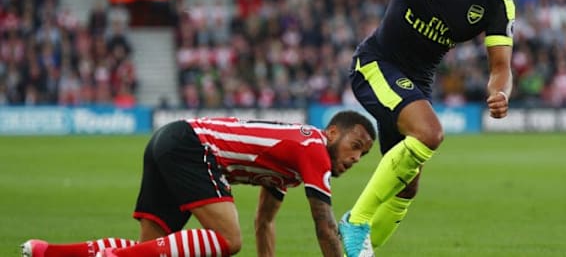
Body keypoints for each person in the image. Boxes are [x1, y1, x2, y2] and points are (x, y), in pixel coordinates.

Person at [327, 0, 521, 257]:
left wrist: (500, 92)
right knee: (430, 133)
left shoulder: (498, 3)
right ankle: (356, 221)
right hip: (376, 64)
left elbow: (501, 66)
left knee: (406, 189)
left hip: (416, 83)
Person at [21, 110, 376, 257]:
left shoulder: (290, 166)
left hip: (172, 140)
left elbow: (265, 223)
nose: (356, 158)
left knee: (150, 250)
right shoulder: (313, 147)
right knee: (229, 241)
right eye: (354, 146)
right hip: (194, 147)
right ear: (331, 133)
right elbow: (324, 223)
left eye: (363, 155)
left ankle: (47, 251)